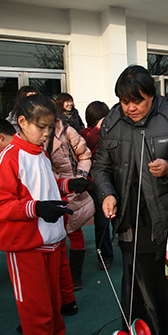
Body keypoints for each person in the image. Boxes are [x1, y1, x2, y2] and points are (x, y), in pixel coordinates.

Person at [91, 65, 168, 335]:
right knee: (133, 268)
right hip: (127, 209)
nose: (130, 108)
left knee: (167, 273)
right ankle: (134, 325)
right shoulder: (112, 121)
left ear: (151, 96)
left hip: (165, 210)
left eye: (137, 101)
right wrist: (107, 194)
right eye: (124, 101)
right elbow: (100, 166)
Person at [0, 94, 87, 335]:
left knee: (54, 315)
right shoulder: (8, 157)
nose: (45, 133)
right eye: (40, 127)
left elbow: (44, 189)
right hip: (26, 250)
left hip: (52, 246)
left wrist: (67, 184)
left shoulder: (40, 153)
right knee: (37, 319)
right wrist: (36, 209)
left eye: (50, 128)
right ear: (22, 122)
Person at [46, 113, 94, 290]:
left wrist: (79, 177)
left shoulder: (66, 131)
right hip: (46, 191)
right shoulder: (29, 136)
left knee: (74, 230)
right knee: (51, 237)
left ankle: (75, 275)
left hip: (72, 189)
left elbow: (84, 155)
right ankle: (57, 275)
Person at [79, 101, 114, 270]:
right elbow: (86, 148)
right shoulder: (84, 133)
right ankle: (104, 256)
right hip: (95, 183)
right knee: (102, 221)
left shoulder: (112, 131)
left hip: (113, 178)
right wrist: (97, 130)